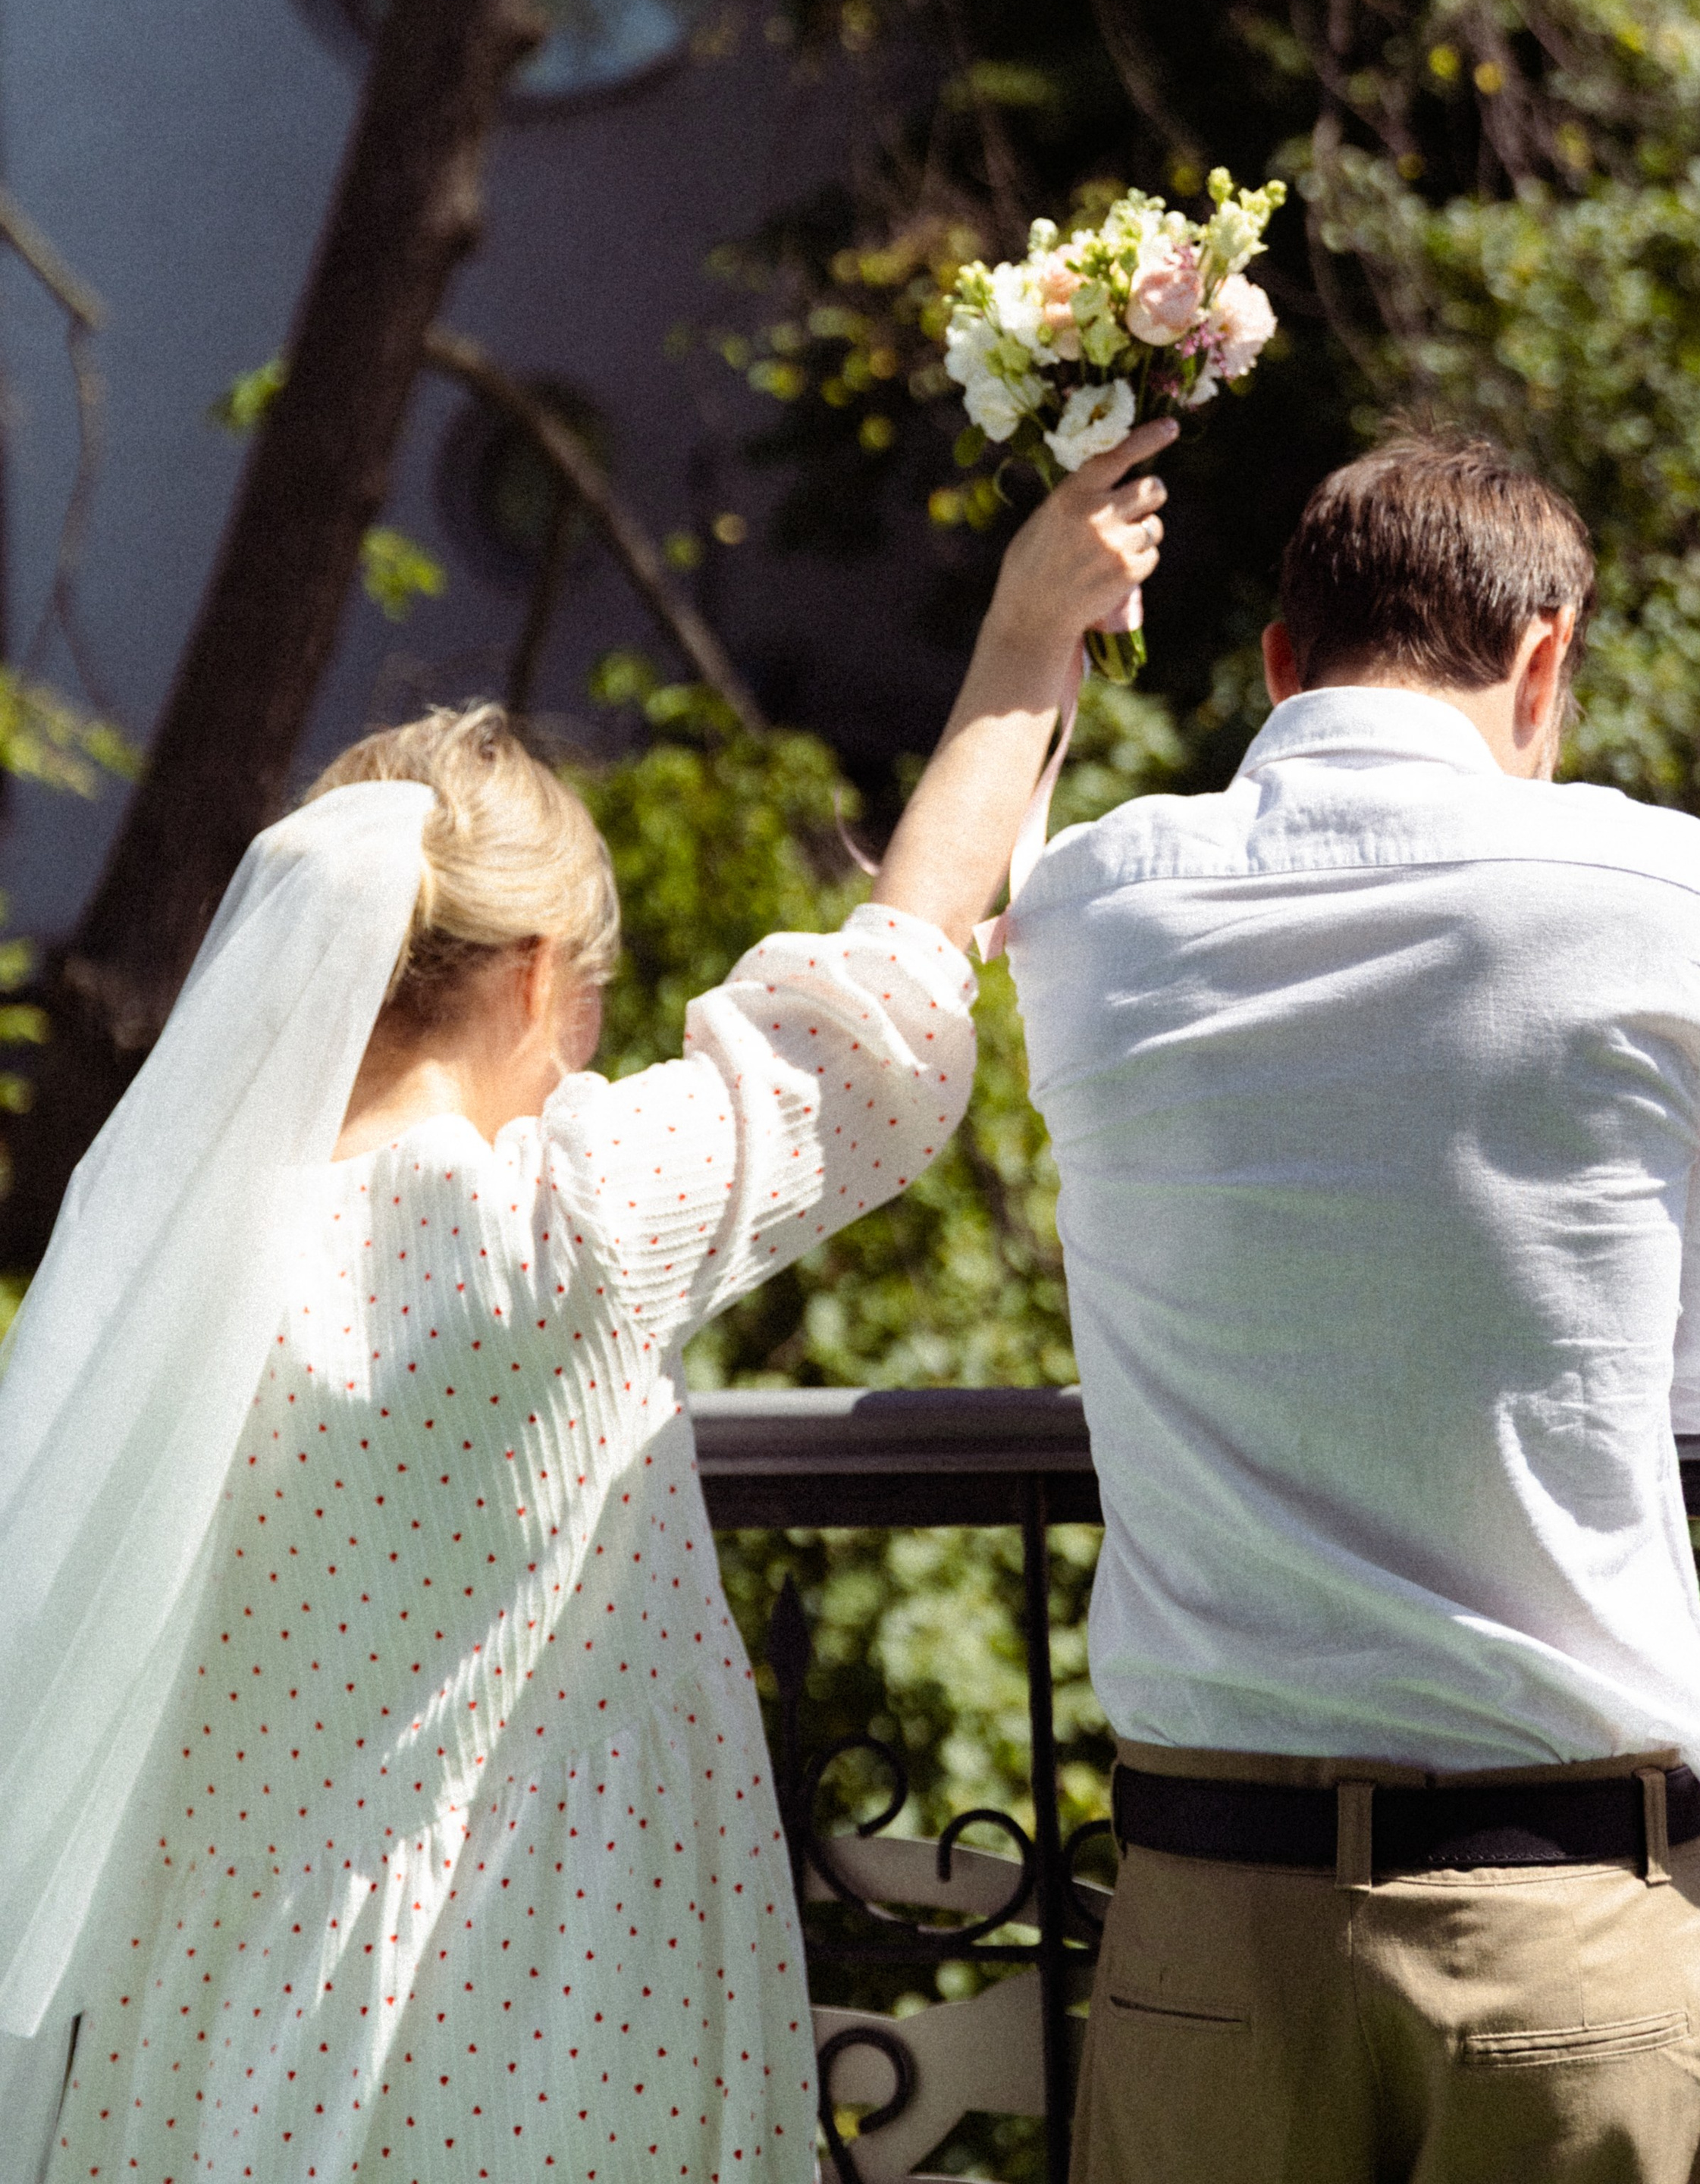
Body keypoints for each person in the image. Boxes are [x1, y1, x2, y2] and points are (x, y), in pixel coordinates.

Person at [0, 418, 1173, 2184]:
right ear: (541, 977)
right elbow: (885, 1014)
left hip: (210, 2045)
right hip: (531, 2034)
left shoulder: (173, 1266)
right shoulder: (559, 1225)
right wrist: (1023, 645)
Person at [1004, 430, 1700, 2184]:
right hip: (1565, 1923)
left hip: (1208, 1923)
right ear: (1541, 660)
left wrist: (1038, 630)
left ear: (1279, 664)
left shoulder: (1092, 906)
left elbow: (994, 858)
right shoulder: (1662, 889)